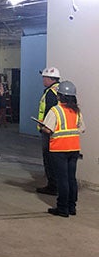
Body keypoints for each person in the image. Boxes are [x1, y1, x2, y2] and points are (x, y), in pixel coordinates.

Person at [40, 81, 85, 217]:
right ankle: (72, 207)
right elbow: (82, 129)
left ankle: (62, 208)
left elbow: (48, 129)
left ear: (60, 96)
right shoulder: (76, 111)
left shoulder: (55, 110)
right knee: (71, 178)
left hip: (59, 149)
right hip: (74, 149)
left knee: (62, 179)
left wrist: (42, 127)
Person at [36, 66, 61, 196]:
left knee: (49, 158)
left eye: (44, 77)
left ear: (49, 78)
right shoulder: (61, 90)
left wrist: (45, 127)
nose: (42, 80)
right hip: (60, 131)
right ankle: (57, 184)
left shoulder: (50, 93)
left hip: (49, 130)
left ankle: (52, 186)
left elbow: (50, 112)